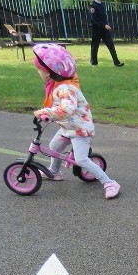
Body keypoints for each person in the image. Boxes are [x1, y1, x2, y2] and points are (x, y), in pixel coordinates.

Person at [32, 43, 121, 199]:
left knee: (81, 159)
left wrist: (47, 113)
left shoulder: (65, 88)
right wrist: (49, 113)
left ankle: (109, 182)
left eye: (40, 70)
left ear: (50, 72)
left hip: (80, 129)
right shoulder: (56, 85)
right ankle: (54, 171)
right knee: (54, 147)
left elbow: (67, 109)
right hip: (68, 128)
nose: (39, 72)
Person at [89, 0, 124, 67]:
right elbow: (94, 19)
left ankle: (116, 62)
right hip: (96, 29)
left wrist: (106, 25)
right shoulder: (92, 6)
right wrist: (104, 25)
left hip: (105, 30)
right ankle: (93, 62)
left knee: (110, 44)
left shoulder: (103, 4)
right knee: (95, 45)